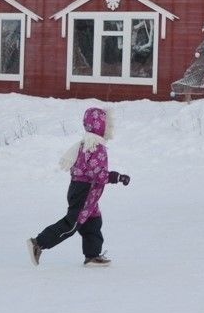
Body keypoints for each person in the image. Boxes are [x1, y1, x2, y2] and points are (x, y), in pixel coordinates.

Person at [29, 107, 130, 266]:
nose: (109, 128)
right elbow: (98, 173)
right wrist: (117, 177)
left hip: (82, 190)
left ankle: (92, 256)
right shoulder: (97, 147)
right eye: (107, 125)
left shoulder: (86, 143)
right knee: (72, 224)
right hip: (85, 192)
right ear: (100, 126)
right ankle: (38, 243)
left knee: (93, 222)